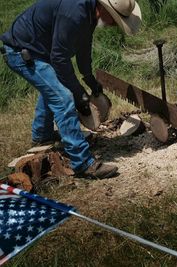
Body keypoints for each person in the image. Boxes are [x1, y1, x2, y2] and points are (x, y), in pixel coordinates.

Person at [0, 0, 142, 179]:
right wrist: (78, 94)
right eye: (114, 20)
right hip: (22, 52)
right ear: (103, 8)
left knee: (53, 89)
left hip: (40, 51)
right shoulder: (75, 13)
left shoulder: (88, 13)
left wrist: (89, 80)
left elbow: (83, 49)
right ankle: (83, 163)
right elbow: (59, 59)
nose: (113, 25)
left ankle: (43, 137)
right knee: (63, 98)